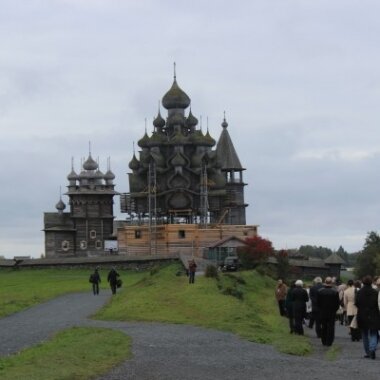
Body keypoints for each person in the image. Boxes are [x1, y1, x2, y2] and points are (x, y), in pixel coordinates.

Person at [355, 275, 380, 359]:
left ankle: (368, 352)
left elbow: (357, 303)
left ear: (363, 282)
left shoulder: (359, 292)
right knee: (373, 333)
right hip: (373, 314)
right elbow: (377, 304)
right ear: (371, 282)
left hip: (362, 315)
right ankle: (372, 348)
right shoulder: (375, 292)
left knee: (365, 334)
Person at [316, 276, 340, 346]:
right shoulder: (335, 292)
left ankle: (323, 340)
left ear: (325, 282)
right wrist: (334, 310)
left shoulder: (320, 291)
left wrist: (320, 309)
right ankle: (329, 341)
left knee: (324, 326)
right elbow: (337, 304)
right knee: (331, 327)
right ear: (331, 283)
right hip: (331, 312)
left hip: (322, 311)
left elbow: (318, 303)